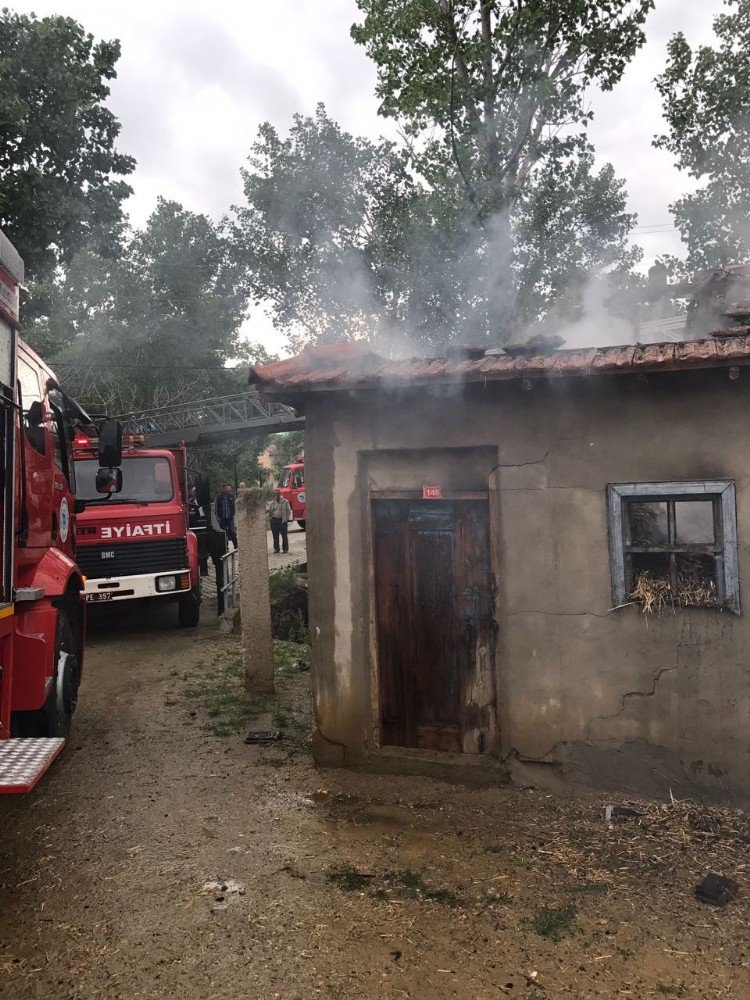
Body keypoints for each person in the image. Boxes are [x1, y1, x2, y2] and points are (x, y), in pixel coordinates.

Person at [266, 488, 292, 554]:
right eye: (276, 494)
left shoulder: (285, 502)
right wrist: (270, 518)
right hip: (274, 521)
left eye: (278, 494)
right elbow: (269, 511)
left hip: (282, 521)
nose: (277, 495)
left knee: (284, 536)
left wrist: (286, 519)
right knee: (275, 536)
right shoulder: (272, 503)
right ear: (274, 495)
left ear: (280, 494)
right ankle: (276, 549)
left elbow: (288, 511)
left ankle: (285, 549)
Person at [215, 483, 238, 549]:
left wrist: (234, 513)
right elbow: (216, 507)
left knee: (232, 532)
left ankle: (236, 546)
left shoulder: (231, 496)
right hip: (222, 518)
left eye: (225, 488)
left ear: (227, 488)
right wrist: (217, 516)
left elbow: (235, 505)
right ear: (221, 489)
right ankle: (225, 547)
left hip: (230, 518)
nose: (224, 489)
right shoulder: (218, 497)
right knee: (224, 534)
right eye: (223, 488)